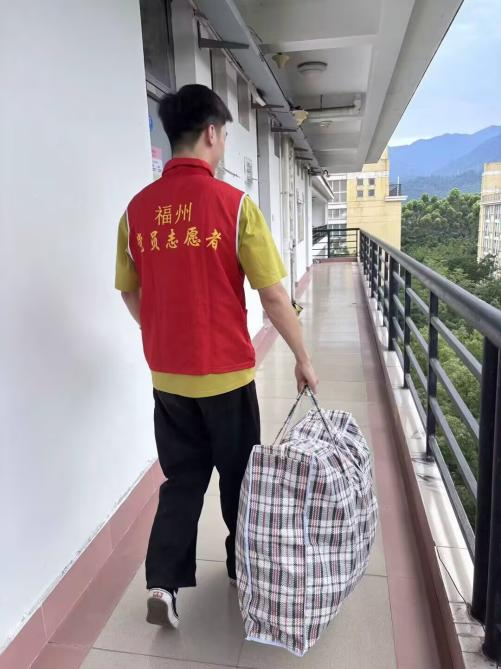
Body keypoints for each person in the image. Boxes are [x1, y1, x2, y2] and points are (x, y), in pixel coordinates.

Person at [115, 84, 318, 629]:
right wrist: (302, 357)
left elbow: (130, 291)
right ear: (211, 133)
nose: (224, 142)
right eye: (225, 134)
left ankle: (163, 583)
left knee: (181, 480)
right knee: (238, 478)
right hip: (227, 377)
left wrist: (159, 330)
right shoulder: (235, 206)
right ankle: (239, 569)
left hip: (168, 379)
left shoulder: (136, 212)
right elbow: (273, 295)